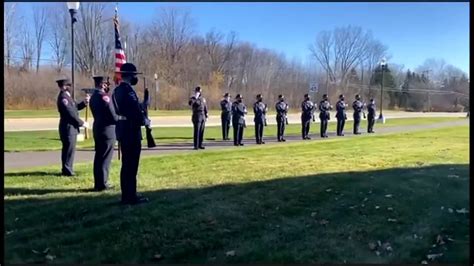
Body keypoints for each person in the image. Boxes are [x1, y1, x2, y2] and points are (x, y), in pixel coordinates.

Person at [112, 63, 149, 205]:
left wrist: (143, 104)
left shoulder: (118, 90)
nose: (135, 78)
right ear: (129, 75)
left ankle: (126, 194)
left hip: (123, 129)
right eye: (134, 75)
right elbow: (133, 111)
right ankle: (130, 196)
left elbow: (129, 108)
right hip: (131, 129)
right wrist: (144, 120)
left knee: (126, 165)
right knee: (131, 165)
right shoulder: (128, 91)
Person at [56, 77, 90, 176]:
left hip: (71, 127)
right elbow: (70, 113)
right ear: (63, 87)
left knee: (70, 149)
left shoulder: (68, 96)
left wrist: (84, 103)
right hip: (68, 127)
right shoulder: (63, 98)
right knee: (68, 150)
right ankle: (67, 170)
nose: (69, 87)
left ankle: (67, 168)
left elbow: (75, 107)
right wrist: (82, 123)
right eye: (67, 85)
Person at [89, 76, 118, 191]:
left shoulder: (93, 97)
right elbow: (113, 115)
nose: (107, 86)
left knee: (99, 157)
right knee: (105, 158)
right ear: (102, 84)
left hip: (98, 128)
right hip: (107, 130)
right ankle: (102, 183)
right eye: (106, 84)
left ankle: (98, 182)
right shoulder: (104, 97)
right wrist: (122, 118)